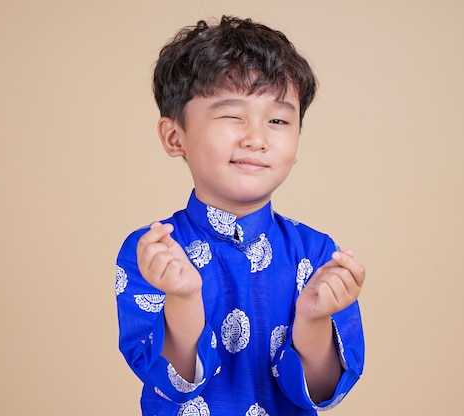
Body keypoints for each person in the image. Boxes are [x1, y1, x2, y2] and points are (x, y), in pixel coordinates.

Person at [115, 15, 365, 416]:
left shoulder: (317, 254)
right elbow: (174, 383)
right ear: (174, 136)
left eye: (278, 120)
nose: (256, 138)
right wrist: (182, 297)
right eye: (232, 115)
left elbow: (320, 393)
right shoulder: (153, 253)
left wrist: (314, 319)